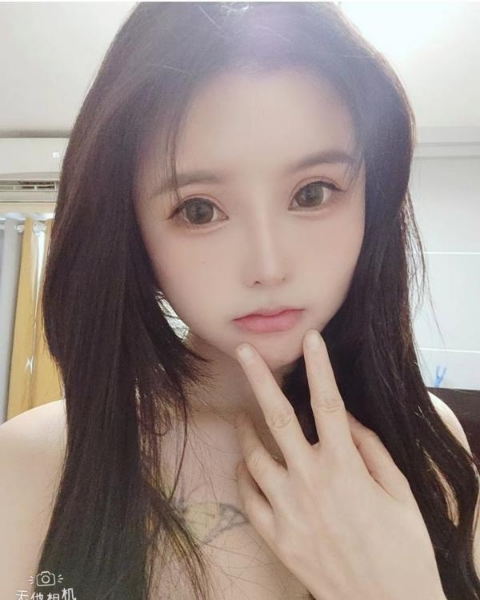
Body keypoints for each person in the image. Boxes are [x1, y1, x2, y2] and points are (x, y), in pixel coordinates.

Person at [0, 3, 479, 600]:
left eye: (313, 193)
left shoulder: (429, 441)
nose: (268, 267)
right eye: (200, 210)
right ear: (131, 233)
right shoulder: (31, 465)